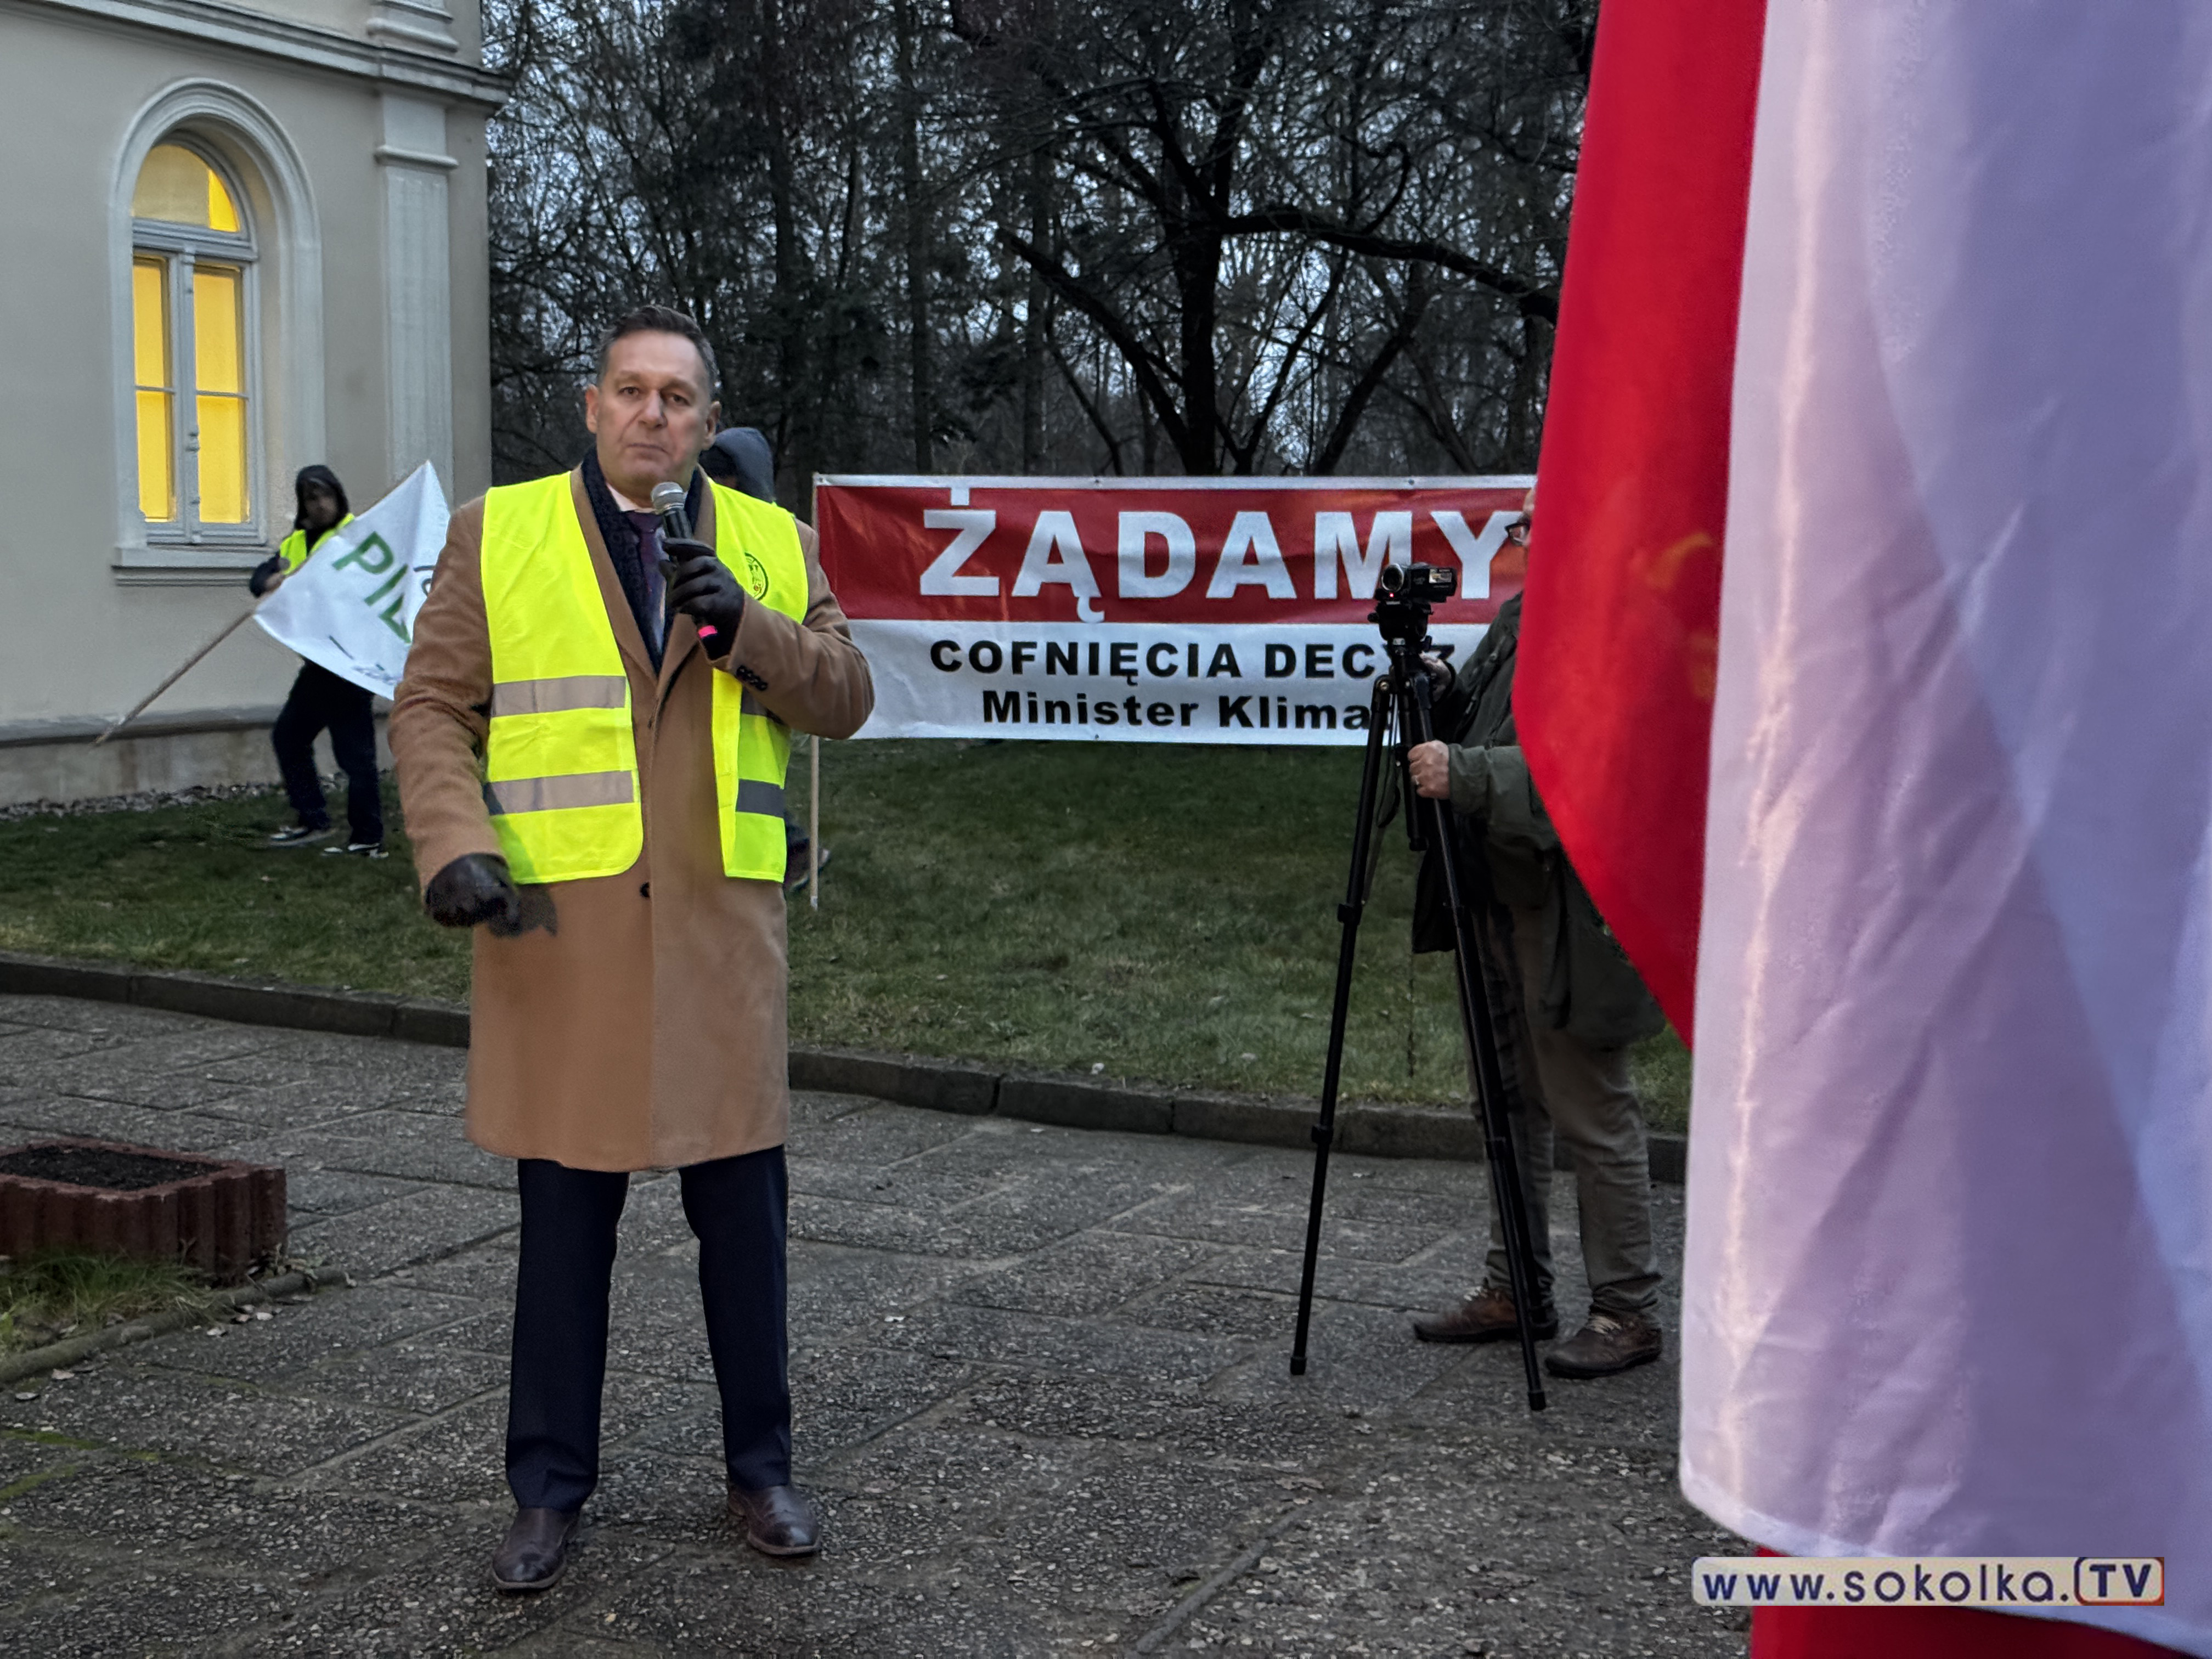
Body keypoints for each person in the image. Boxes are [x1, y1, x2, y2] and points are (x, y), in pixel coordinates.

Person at [390, 305, 873, 1589]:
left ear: (709, 423)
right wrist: (451, 844)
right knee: (562, 1241)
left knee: (747, 1237)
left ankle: (762, 1470)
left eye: (679, 397)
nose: (654, 414)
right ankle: (546, 1491)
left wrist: (747, 629)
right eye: (632, 390)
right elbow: (431, 705)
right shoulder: (498, 533)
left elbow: (846, 695)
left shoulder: (771, 542)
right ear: (592, 406)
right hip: (564, 942)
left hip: (721, 947)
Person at [1406, 490, 1669, 1379]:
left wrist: (1468, 773)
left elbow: (1597, 773)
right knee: (1505, 1102)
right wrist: (1440, 694)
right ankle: (1514, 1286)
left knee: (1590, 1108)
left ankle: (1626, 1309)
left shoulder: (1619, 627)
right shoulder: (1525, 617)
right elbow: (1493, 728)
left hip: (1570, 907)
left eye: (1532, 524)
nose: (1520, 541)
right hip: (1492, 886)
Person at [698, 427, 827, 893]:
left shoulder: (778, 541)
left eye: (721, 477)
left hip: (754, 686)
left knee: (748, 776)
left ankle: (796, 851)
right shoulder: (711, 525)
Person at [251, 466, 385, 855]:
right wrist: (271, 580)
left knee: (355, 758)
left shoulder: (354, 538)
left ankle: (368, 837)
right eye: (312, 498)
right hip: (318, 667)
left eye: (326, 496)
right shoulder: (296, 544)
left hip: (350, 664)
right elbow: (259, 578)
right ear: (303, 504)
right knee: (289, 738)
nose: (321, 505)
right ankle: (312, 820)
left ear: (338, 497)